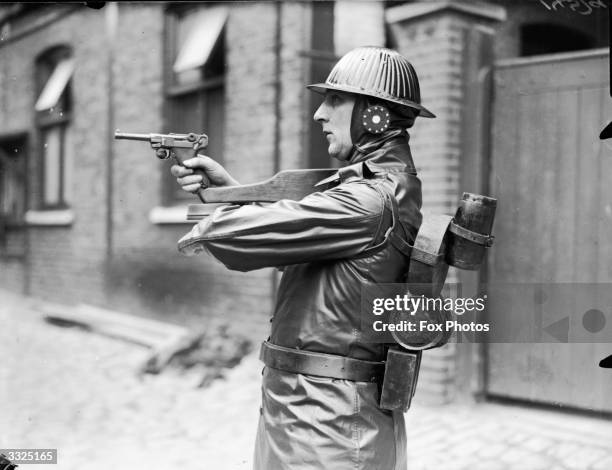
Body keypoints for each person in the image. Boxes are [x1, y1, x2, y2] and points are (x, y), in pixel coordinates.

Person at [171, 46, 435, 470]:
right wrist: (227, 192)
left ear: (374, 115)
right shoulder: (373, 190)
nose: (319, 114)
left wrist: (215, 214)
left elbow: (230, 236)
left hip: (327, 431)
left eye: (335, 100)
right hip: (314, 415)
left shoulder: (368, 200)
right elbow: (306, 248)